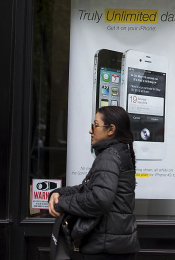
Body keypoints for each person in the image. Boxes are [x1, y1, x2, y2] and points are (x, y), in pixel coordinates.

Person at [49, 106, 140, 259]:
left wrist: (62, 202)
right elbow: (88, 187)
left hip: (104, 247)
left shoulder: (109, 156)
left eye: (96, 125)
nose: (91, 130)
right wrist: (60, 193)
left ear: (111, 129)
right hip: (118, 245)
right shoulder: (121, 153)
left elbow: (99, 199)